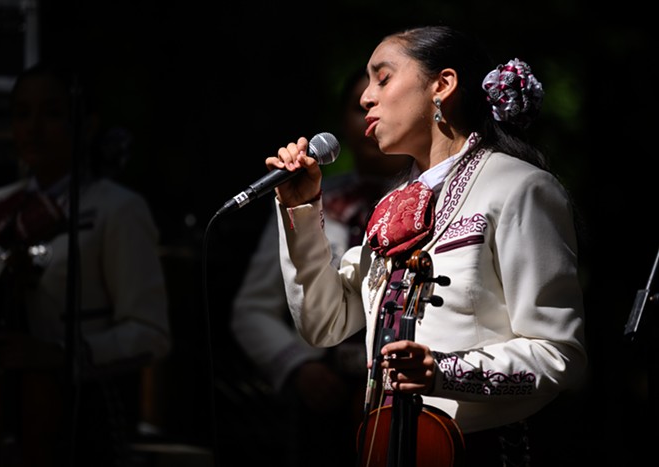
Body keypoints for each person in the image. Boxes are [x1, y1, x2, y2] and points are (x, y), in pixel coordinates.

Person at [264, 25, 587, 466]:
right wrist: (302, 210)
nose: (365, 98)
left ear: (443, 85)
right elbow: (324, 323)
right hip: (388, 449)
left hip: (486, 451)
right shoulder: (391, 207)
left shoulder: (520, 188)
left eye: (383, 78)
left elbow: (559, 353)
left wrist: (443, 371)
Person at [0, 61, 171, 466]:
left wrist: (60, 354)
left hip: (79, 422)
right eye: (22, 114)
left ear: (86, 124)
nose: (33, 128)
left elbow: (151, 333)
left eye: (52, 113)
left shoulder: (117, 209)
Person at [230, 69, 410, 467]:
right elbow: (252, 307)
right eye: (354, 106)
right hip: (323, 394)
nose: (367, 111)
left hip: (410, 399)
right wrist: (299, 366)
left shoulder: (432, 198)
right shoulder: (309, 195)